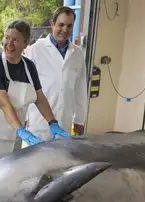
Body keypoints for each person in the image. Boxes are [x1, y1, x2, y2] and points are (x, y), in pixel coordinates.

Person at [0, 19, 71, 178]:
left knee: (7, 177)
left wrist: (52, 123)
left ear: (25, 44)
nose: (9, 43)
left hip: (14, 133)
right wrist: (22, 130)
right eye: (7, 38)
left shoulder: (29, 67)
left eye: (15, 40)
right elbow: (5, 103)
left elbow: (39, 98)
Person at [25, 6, 89, 138]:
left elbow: (80, 89)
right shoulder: (36, 49)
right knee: (36, 158)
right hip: (38, 122)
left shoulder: (77, 54)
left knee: (61, 158)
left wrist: (79, 119)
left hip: (64, 122)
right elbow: (26, 85)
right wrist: (23, 116)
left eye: (69, 26)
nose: (65, 30)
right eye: (61, 25)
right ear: (52, 24)